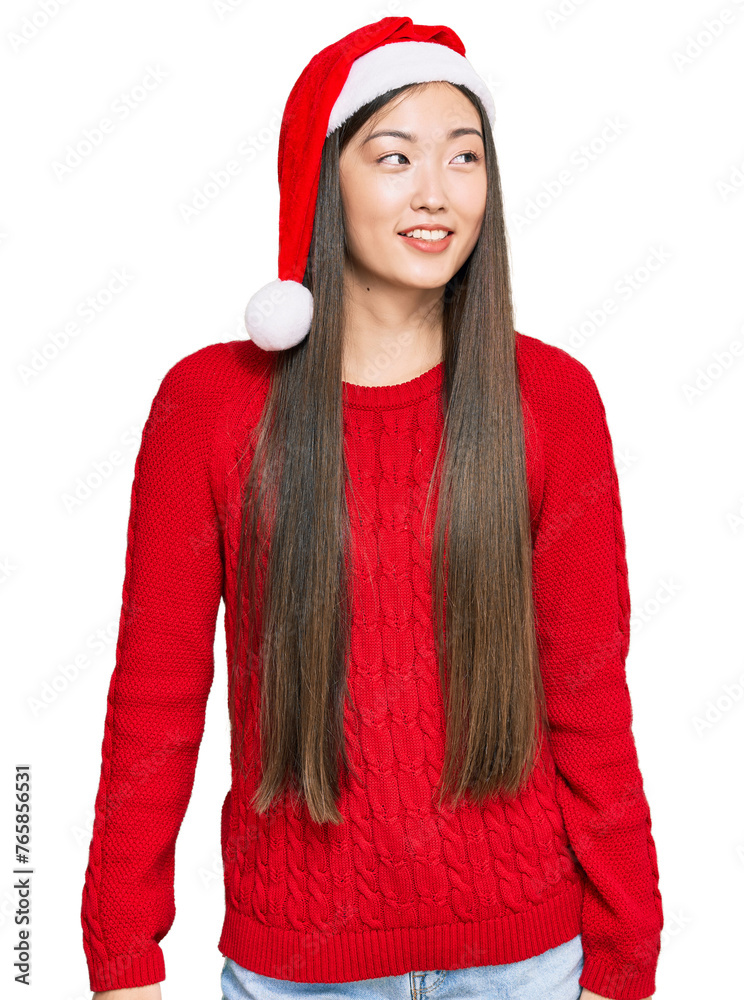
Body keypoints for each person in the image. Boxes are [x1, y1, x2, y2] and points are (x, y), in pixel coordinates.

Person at [80, 15, 663, 1000]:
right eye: (394, 156)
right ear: (325, 178)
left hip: (525, 960)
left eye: (464, 156)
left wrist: (626, 957)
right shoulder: (211, 407)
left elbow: (590, 698)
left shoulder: (553, 401)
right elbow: (154, 705)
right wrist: (122, 956)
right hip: (296, 966)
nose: (436, 191)